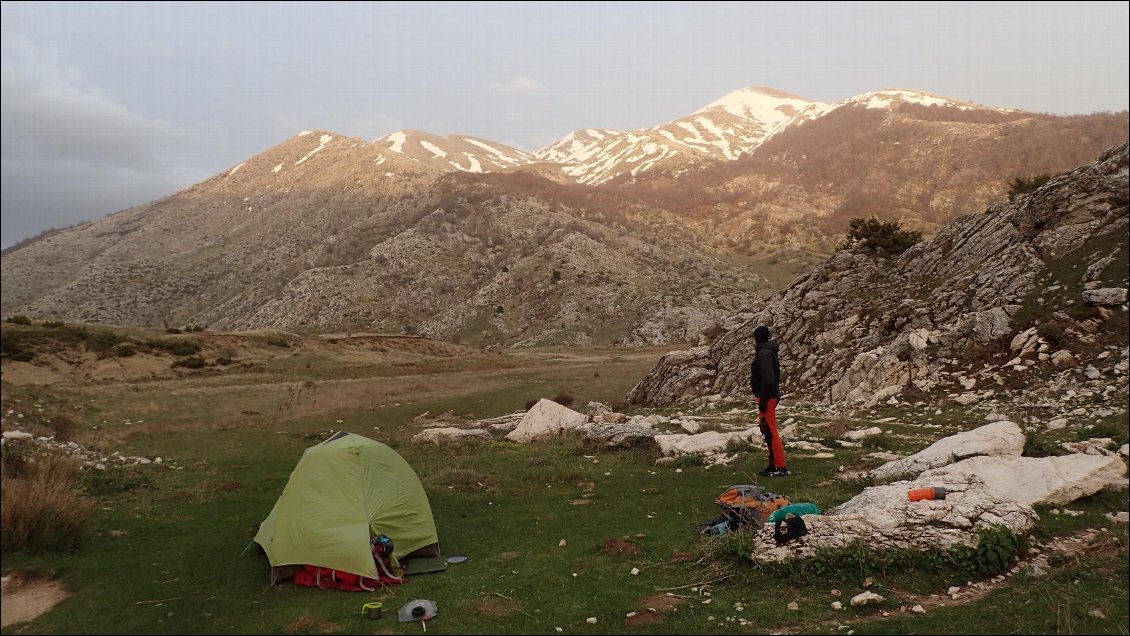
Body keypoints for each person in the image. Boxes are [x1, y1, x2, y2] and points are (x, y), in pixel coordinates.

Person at [750, 325, 789, 476]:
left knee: (771, 431)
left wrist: (764, 401)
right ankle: (773, 464)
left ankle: (780, 466)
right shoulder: (767, 352)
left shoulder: (764, 354)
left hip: (767, 397)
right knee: (767, 430)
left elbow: (768, 379)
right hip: (768, 396)